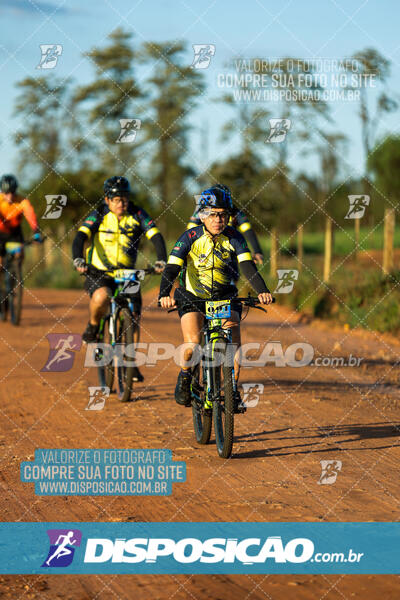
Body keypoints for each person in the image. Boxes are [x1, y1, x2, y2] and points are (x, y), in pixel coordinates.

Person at [159, 185, 273, 411]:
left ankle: (231, 390)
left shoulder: (235, 237)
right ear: (202, 215)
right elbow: (172, 268)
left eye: (223, 214)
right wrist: (164, 294)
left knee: (233, 344)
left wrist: (262, 290)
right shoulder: (190, 237)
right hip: (192, 296)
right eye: (213, 214)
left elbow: (248, 267)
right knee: (192, 344)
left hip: (224, 297)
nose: (218, 219)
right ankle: (184, 377)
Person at [72, 176, 167, 382]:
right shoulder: (99, 213)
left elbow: (156, 236)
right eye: (116, 199)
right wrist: (78, 259)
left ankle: (130, 361)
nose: (122, 203)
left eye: (125, 198)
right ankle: (93, 326)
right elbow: (80, 236)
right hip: (99, 272)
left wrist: (161, 260)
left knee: (133, 315)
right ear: (107, 200)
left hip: (127, 274)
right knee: (101, 297)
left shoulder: (138, 213)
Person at [187, 184, 264, 265]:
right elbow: (190, 230)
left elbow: (248, 231)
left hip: (229, 243)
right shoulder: (203, 208)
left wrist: (257, 251)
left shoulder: (235, 211)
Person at [0, 174, 42, 269]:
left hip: (15, 233)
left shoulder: (22, 201)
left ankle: (17, 279)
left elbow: (31, 216)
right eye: (7, 193)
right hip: (0, 232)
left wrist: (36, 233)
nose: (10, 196)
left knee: (19, 255)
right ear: (2, 192)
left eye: (12, 192)